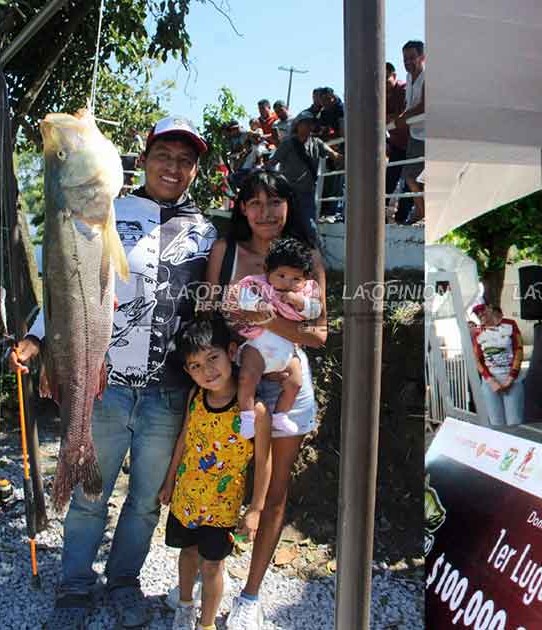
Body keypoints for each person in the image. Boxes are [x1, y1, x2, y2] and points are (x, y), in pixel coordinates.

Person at [11, 115, 217, 629]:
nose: (174, 167)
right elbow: (68, 284)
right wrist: (38, 338)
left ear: (195, 170)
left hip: (169, 393)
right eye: (164, 156)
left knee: (146, 501)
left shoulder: (207, 232)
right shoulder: (104, 209)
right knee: (88, 496)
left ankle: (124, 581)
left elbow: (212, 306)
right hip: (104, 385)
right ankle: (75, 585)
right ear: (142, 158)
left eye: (186, 160)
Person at [204, 170, 326, 629]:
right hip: (234, 380)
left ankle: (251, 596)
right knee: (218, 475)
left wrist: (267, 318)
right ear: (241, 208)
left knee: (274, 493)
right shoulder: (226, 251)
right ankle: (206, 572)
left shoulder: (307, 259)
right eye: (254, 202)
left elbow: (318, 334)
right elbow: (209, 317)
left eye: (275, 201)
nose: (265, 212)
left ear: (289, 206)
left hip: (290, 382)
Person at [160, 318, 272, 630]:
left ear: (232, 352)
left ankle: (206, 624)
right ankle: (184, 608)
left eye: (213, 358)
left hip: (222, 509)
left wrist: (256, 510)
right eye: (195, 365)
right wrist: (169, 481)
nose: (207, 371)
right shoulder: (195, 396)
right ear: (187, 371)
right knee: (187, 555)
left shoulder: (253, 411)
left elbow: (264, 460)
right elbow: (184, 438)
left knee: (212, 568)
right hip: (186, 501)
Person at [228, 237, 323, 440]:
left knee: (295, 382)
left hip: (287, 348)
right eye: (281, 275)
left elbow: (316, 310)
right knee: (247, 377)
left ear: (305, 279)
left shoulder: (306, 292)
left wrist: (301, 303)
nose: (287, 283)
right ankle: (247, 416)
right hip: (258, 344)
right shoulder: (257, 284)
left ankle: (281, 414)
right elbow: (242, 297)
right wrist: (260, 306)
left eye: (295, 279)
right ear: (267, 270)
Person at [266, 112, 342, 241]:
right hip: (288, 193)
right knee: (285, 227)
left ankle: (315, 254)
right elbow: (272, 163)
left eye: (310, 123)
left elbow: (332, 154)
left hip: (307, 192)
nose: (308, 126)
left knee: (310, 227)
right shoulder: (287, 143)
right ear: (297, 125)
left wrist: (339, 158)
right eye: (305, 123)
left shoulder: (316, 143)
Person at [471, 304, 526, 426]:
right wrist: (491, 381)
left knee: (514, 424)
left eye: (482, 310)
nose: (480, 314)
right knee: (496, 425)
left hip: (511, 381)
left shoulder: (510, 324)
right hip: (490, 384)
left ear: (490, 308)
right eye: (476, 313)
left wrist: (511, 378)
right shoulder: (478, 332)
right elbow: (477, 360)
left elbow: (519, 350)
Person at [394, 40, 425, 223]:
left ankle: (422, 212)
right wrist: (399, 118)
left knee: (419, 176)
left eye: (412, 57)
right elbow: (410, 106)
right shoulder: (408, 77)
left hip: (428, 135)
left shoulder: (427, 76)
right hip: (415, 134)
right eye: (405, 58)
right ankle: (421, 211)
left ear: (422, 57)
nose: (408, 62)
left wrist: (404, 118)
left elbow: (424, 105)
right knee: (410, 176)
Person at [386, 61, 412, 223]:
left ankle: (403, 218)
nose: (383, 82)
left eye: (386, 77)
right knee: (389, 180)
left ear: (394, 76)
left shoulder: (403, 89)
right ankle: (381, 215)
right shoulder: (378, 94)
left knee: (410, 181)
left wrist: (391, 117)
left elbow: (403, 114)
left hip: (412, 141)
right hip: (396, 144)